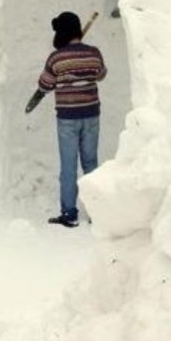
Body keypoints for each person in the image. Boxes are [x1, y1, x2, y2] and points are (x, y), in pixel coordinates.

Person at [37, 12, 107, 228]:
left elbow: (45, 84)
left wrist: (61, 74)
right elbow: (101, 74)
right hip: (91, 115)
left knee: (69, 166)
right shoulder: (94, 53)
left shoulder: (56, 58)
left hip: (67, 118)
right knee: (91, 163)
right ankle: (98, 213)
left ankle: (69, 213)